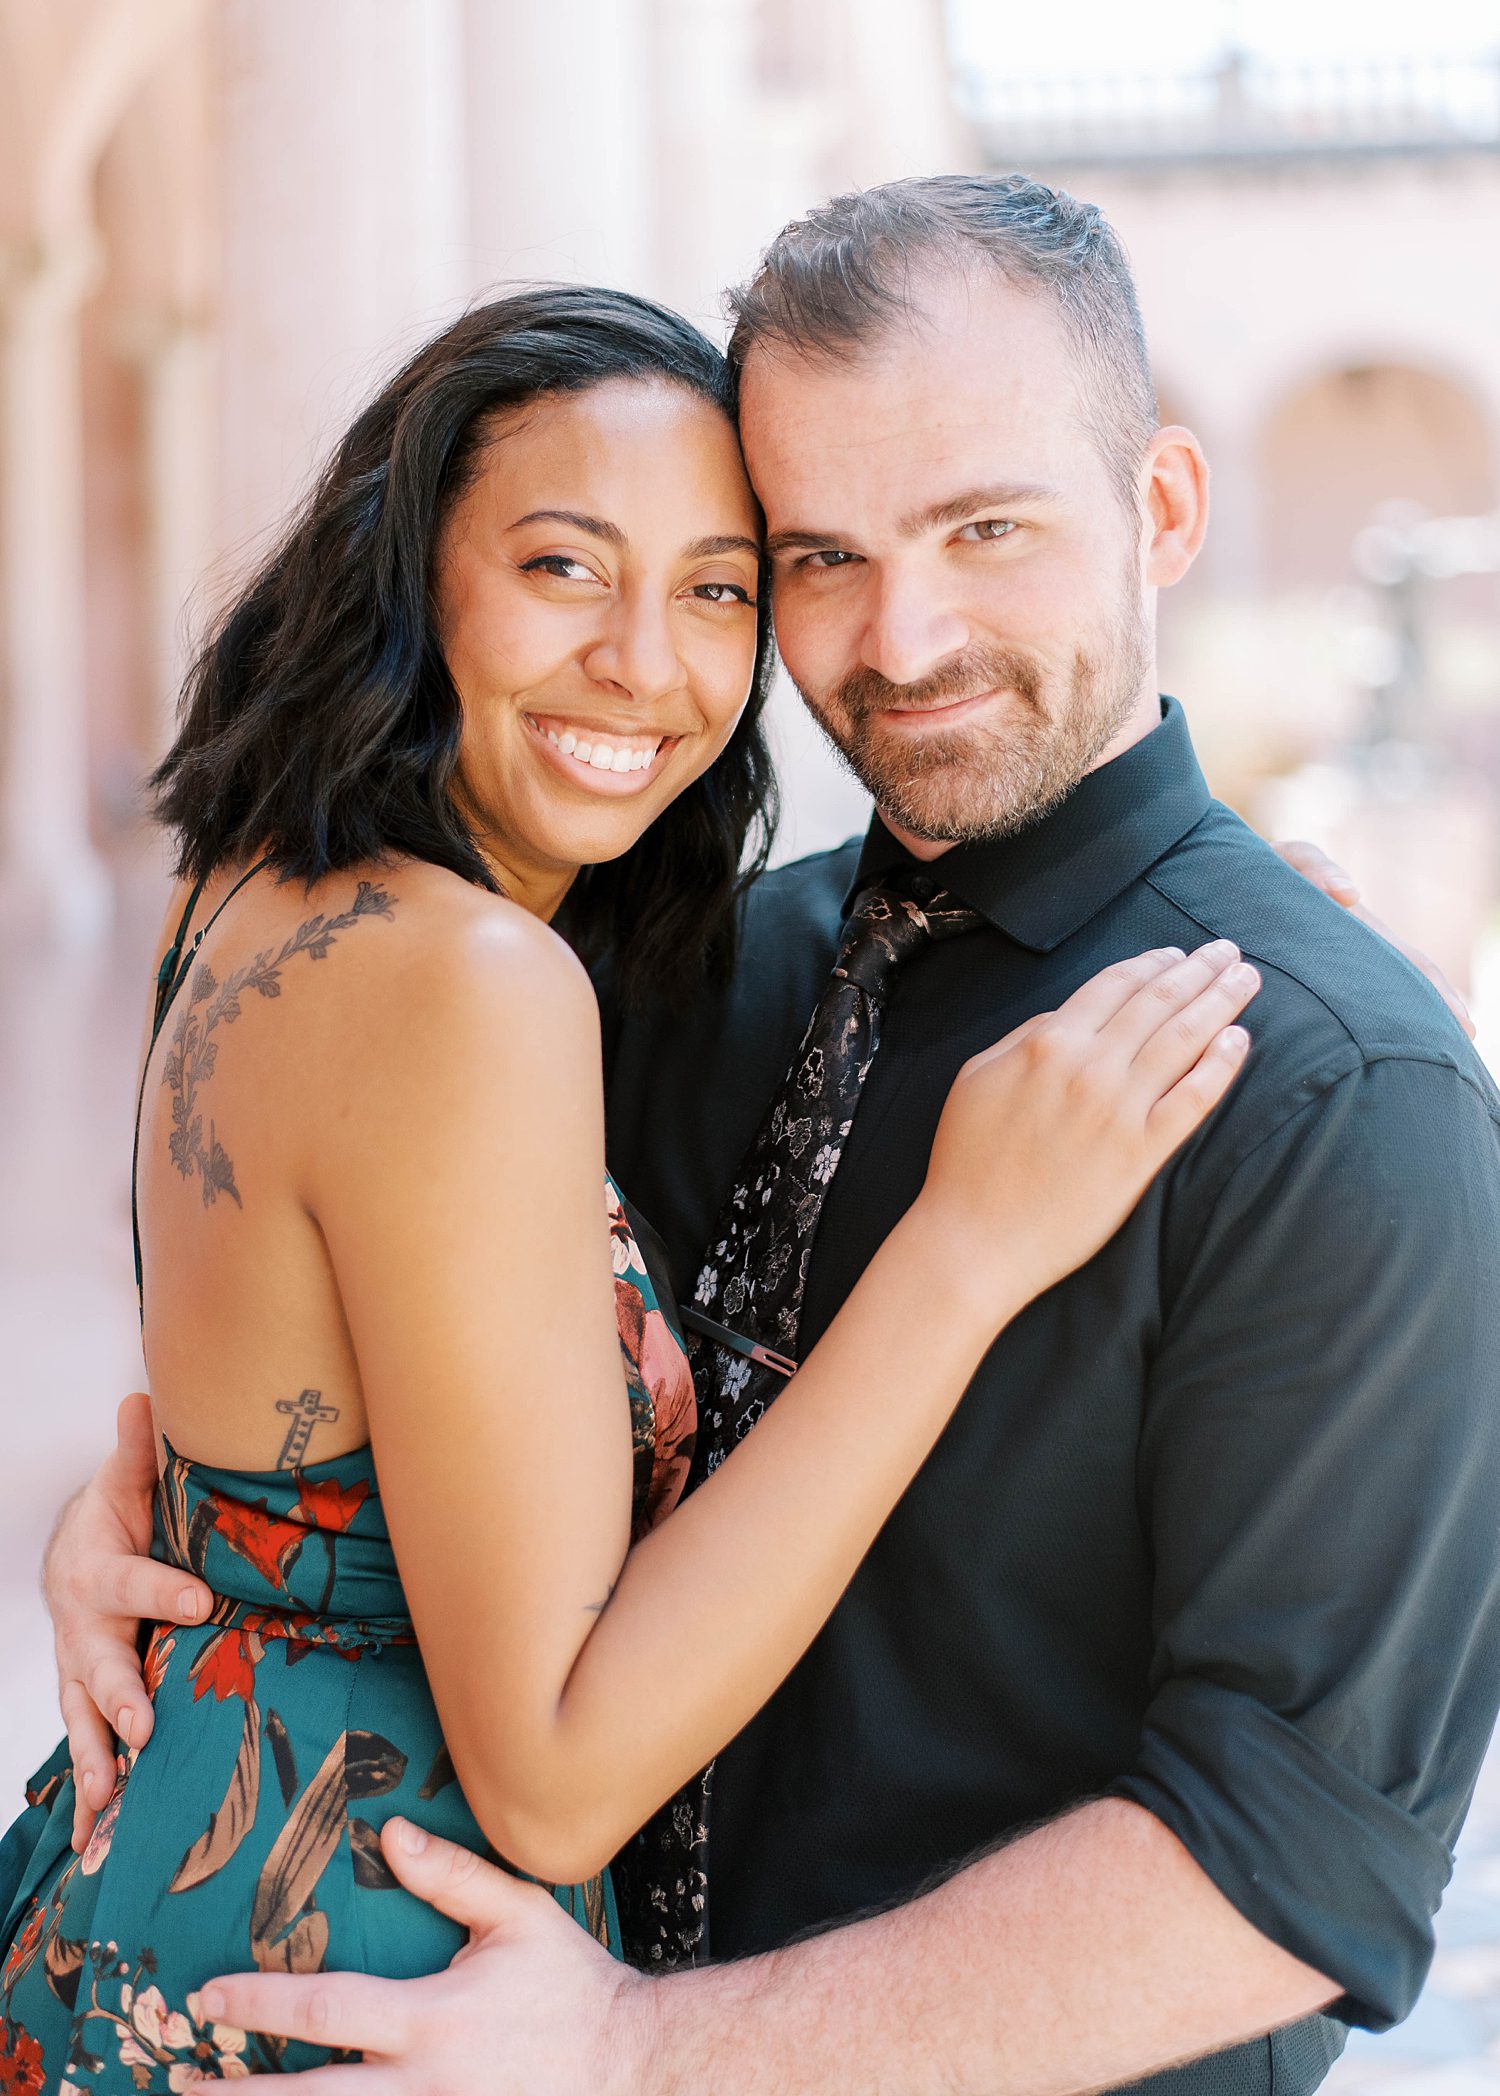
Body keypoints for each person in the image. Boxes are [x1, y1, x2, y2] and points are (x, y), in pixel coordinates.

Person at [73, 172, 1496, 2096]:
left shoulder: (1346, 1098)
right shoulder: (675, 972)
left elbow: (1266, 1874)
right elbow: (405, 1347)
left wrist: (648, 2055)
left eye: (985, 527)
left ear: (1162, 509)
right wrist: (171, 1516)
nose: (900, 634)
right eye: (818, 555)